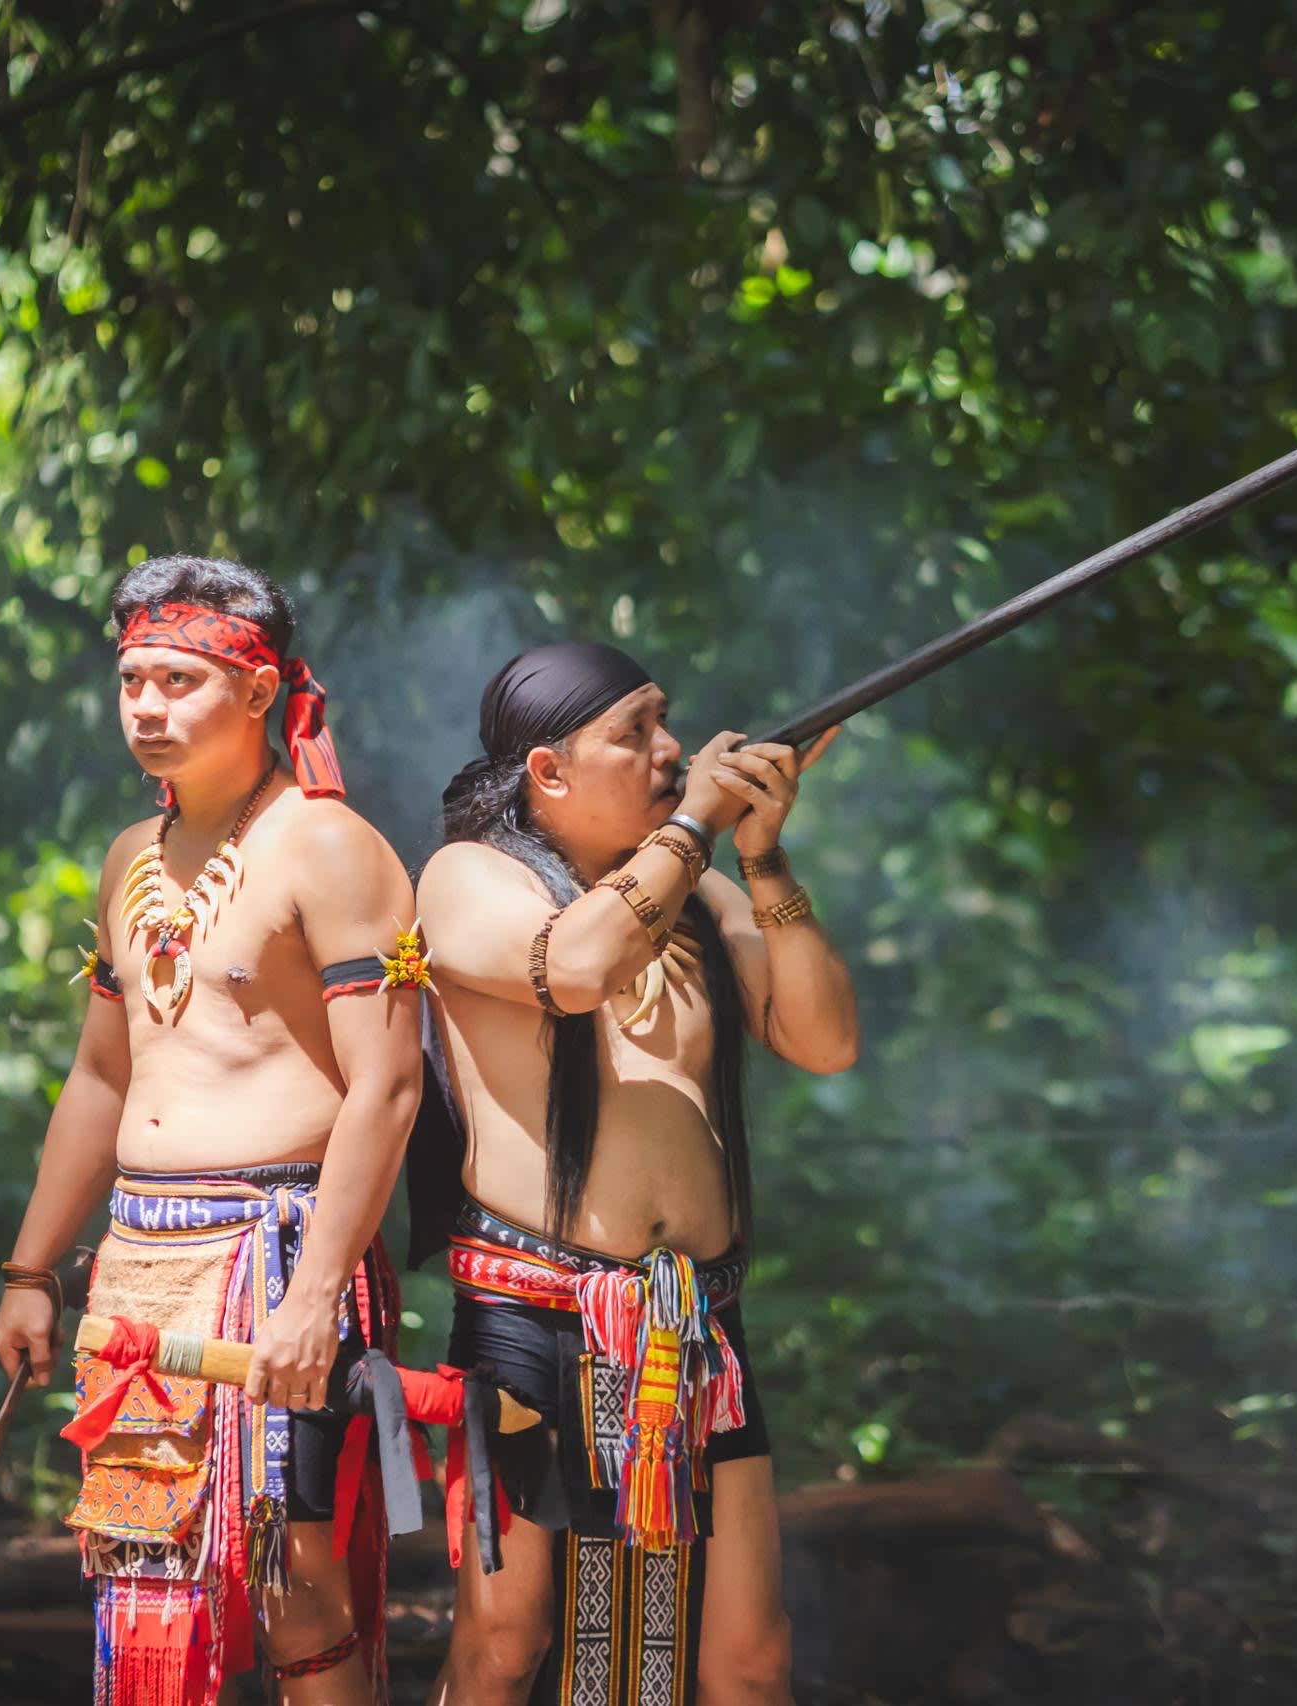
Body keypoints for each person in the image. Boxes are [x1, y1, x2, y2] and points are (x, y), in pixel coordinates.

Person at [0, 554, 428, 1704]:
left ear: (260, 688)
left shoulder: (329, 845)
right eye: (131, 679)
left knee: (296, 1579)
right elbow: (100, 1075)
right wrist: (32, 1269)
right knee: (143, 1570)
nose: (146, 706)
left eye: (178, 680)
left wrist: (314, 1293)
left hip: (272, 1249)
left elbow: (388, 1086)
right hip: (139, 1257)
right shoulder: (129, 857)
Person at [412, 642, 859, 1706]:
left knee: (749, 1659)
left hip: (692, 1327)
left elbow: (826, 1039)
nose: (671, 750)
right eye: (635, 731)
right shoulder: (470, 875)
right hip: (534, 1315)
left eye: (667, 723)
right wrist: (694, 821)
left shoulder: (704, 889)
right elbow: (574, 966)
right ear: (548, 771)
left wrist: (762, 859)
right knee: (504, 1642)